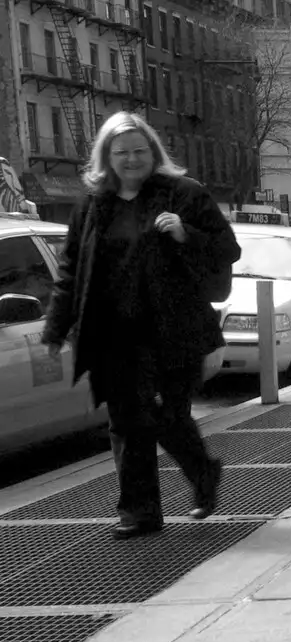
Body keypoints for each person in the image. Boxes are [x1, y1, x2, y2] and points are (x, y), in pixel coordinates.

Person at [42, 111, 239, 539]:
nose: (131, 159)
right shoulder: (94, 204)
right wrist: (57, 329)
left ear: (153, 151)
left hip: (175, 328)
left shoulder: (184, 194)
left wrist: (187, 234)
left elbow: (228, 249)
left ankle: (203, 471)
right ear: (106, 158)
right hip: (115, 332)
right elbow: (71, 269)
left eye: (139, 150)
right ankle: (139, 512)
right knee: (128, 422)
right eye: (121, 152)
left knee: (169, 417)